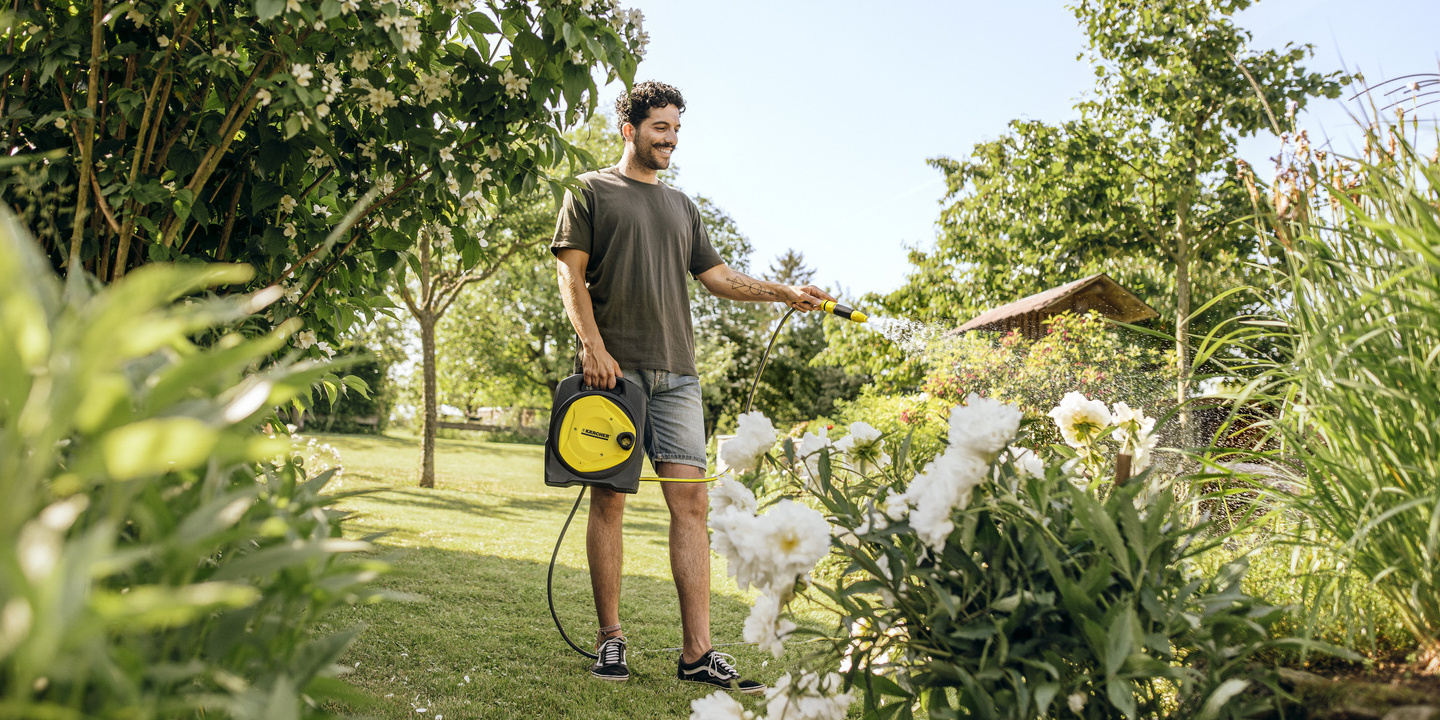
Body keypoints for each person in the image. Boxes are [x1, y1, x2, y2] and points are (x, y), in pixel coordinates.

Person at [552, 81, 834, 693]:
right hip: (614, 375)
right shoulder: (590, 191)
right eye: (660, 128)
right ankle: (610, 640)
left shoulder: (683, 206)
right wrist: (594, 349)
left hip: (679, 375)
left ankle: (697, 653)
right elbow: (570, 278)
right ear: (629, 129)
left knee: (693, 504)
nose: (671, 140)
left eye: (677, 129)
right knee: (610, 501)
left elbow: (719, 278)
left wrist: (785, 292)